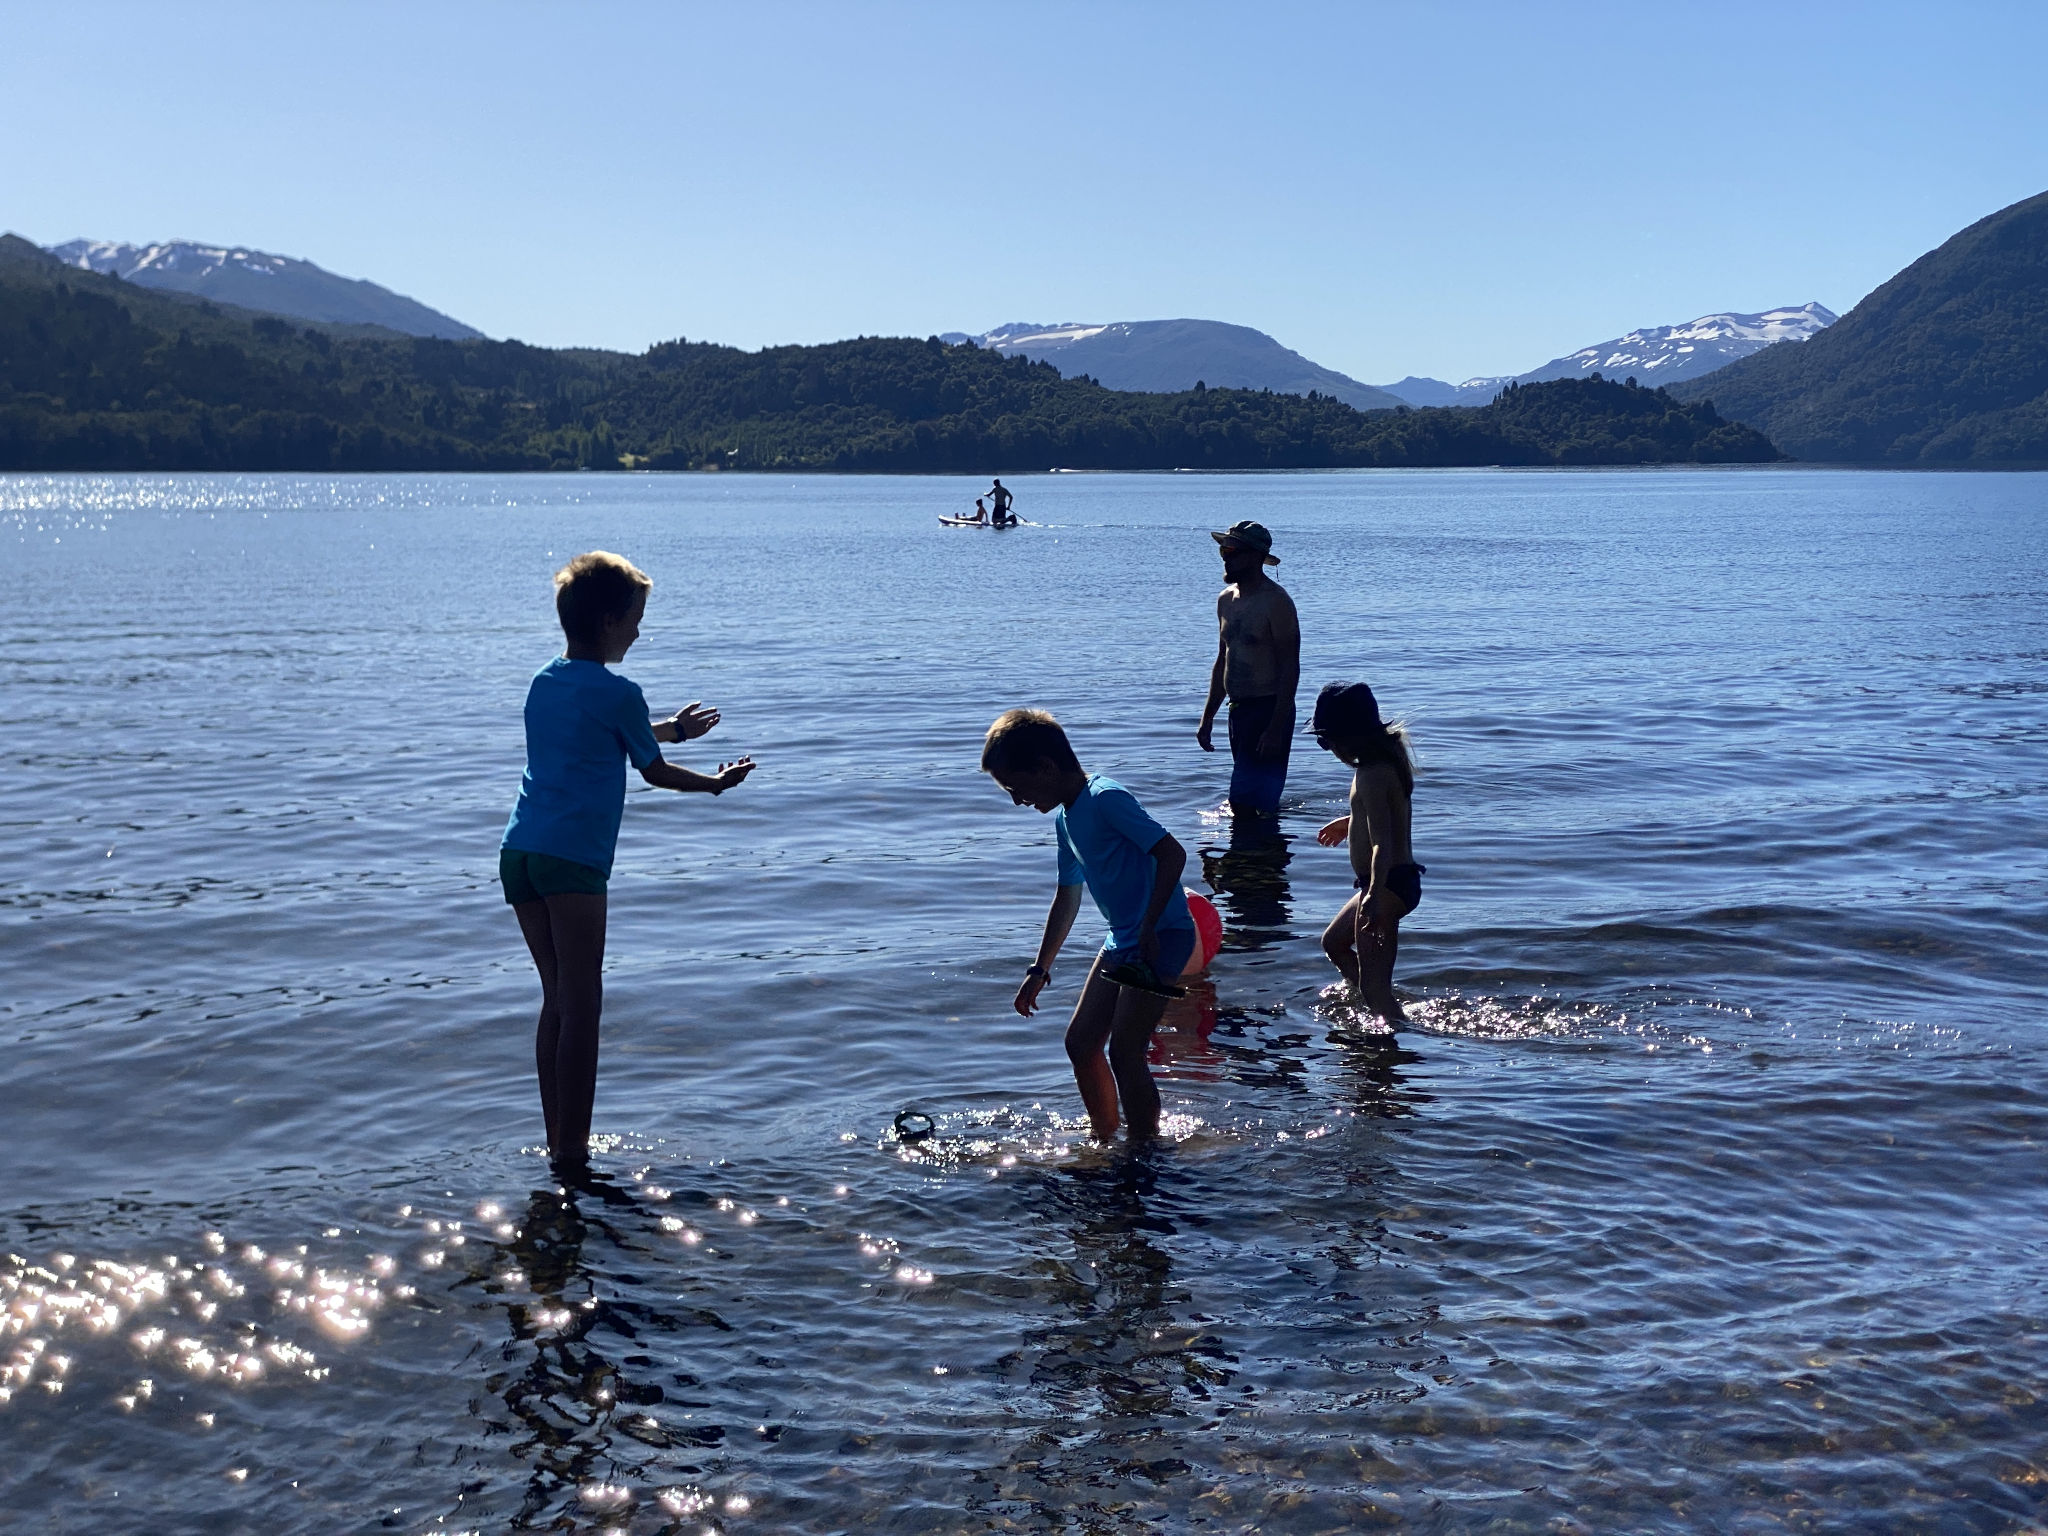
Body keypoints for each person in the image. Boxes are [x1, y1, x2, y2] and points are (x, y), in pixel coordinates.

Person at [500, 551, 757, 1172]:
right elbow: (654, 770)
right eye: (636, 619)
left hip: (522, 852)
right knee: (584, 1005)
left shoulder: (544, 680)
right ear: (611, 621)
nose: (640, 631)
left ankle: (556, 1139)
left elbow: (604, 733)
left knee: (556, 998)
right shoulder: (620, 692)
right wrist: (715, 785)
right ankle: (573, 1157)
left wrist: (668, 727)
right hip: (573, 859)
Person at [982, 709, 1195, 1142]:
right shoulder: (1066, 816)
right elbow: (1068, 895)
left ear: (1045, 767)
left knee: (1126, 1050)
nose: (1017, 801)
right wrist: (1038, 970)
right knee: (1080, 1043)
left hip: (1164, 934)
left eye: (1017, 787)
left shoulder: (1105, 798)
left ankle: (1144, 1149)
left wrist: (1150, 926)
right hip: (1122, 938)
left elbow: (1172, 853)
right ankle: (1104, 1138)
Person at [1310, 682, 1422, 1026]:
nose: (1327, 749)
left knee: (1376, 986)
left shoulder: (1372, 773)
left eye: (1326, 741)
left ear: (1349, 736)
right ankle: (1377, 1006)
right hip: (1389, 882)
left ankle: (1387, 1039)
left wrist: (1373, 892)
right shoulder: (1386, 763)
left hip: (1385, 885)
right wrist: (1351, 820)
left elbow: (1382, 843)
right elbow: (1385, 813)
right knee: (1334, 943)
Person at [1195, 519, 1300, 815]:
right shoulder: (1225, 600)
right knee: (1251, 803)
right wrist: (1207, 718)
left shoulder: (1276, 603)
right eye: (1223, 551)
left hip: (1268, 711)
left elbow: (1290, 667)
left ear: (1255, 557)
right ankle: (1255, 855)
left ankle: (1255, 858)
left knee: (1247, 802)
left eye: (1232, 550)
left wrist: (1276, 727)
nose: (1225, 557)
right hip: (1237, 711)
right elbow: (1222, 661)